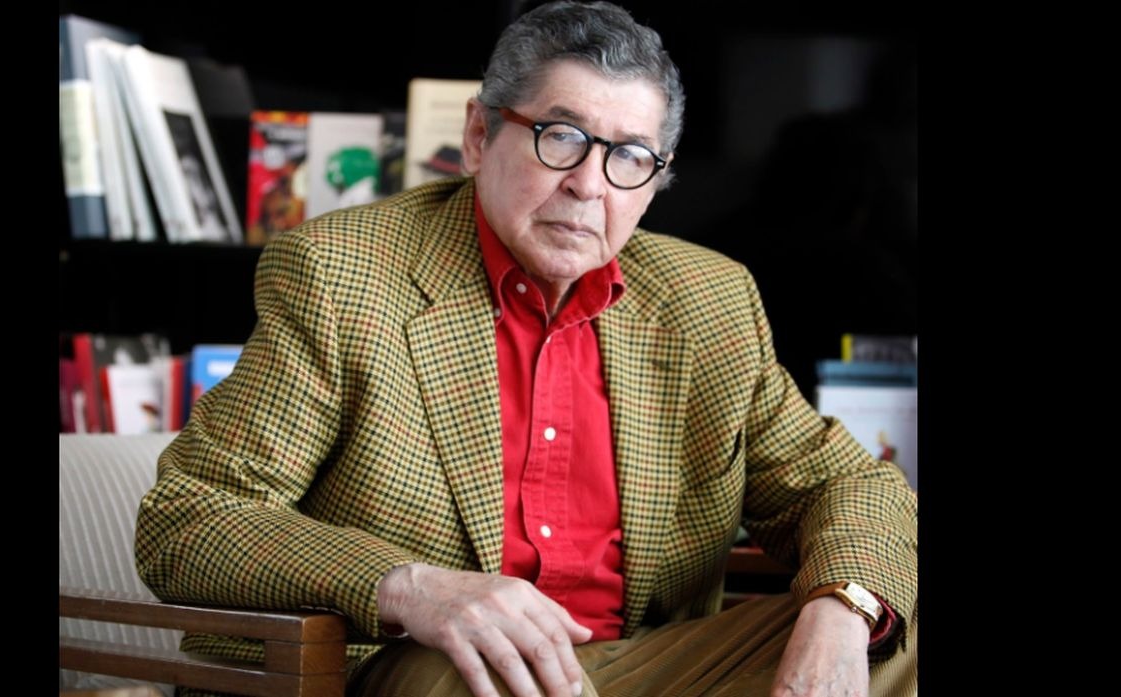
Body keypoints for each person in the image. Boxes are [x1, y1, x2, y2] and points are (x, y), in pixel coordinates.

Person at [135, 2, 918, 696]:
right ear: (480, 135)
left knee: (894, 617)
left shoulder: (707, 300)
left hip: (645, 664)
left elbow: (846, 483)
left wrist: (844, 609)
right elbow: (189, 520)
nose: (590, 185)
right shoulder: (344, 275)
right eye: (561, 137)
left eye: (629, 156)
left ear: (656, 178)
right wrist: (412, 589)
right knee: (487, 668)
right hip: (422, 666)